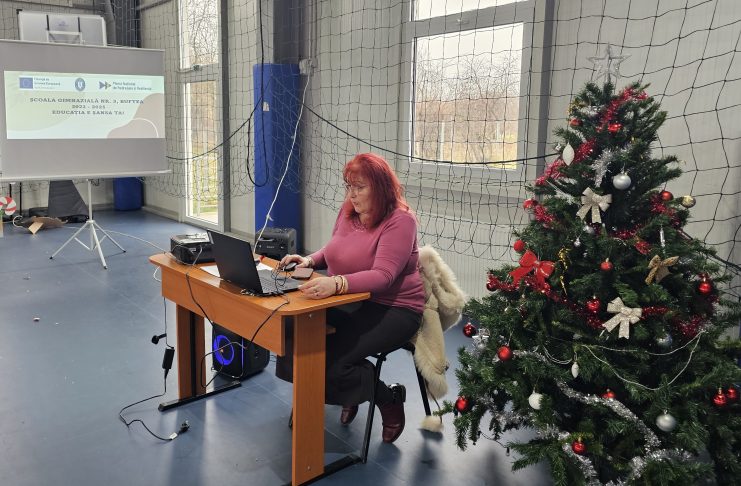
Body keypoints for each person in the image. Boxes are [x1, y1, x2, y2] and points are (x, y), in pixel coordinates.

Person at [279, 152, 425, 443]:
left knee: (330, 364)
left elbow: (383, 276)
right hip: (350, 299)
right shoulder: (349, 210)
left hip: (394, 308)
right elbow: (335, 249)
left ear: (380, 188)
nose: (352, 194)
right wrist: (309, 260)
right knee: (293, 337)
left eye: (360, 187)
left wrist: (337, 283)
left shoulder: (401, 221)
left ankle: (388, 398)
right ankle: (350, 392)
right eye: (349, 186)